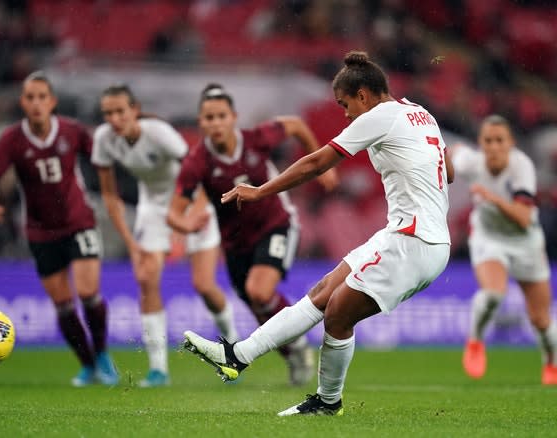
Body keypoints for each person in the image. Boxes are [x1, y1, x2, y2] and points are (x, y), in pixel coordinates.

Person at [182, 51, 454, 415]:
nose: (345, 114)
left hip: (414, 239)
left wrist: (260, 190)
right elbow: (448, 171)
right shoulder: (420, 113)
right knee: (324, 291)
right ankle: (237, 356)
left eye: (345, 104)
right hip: (412, 234)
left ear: (363, 95)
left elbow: (316, 162)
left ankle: (328, 402)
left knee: (338, 315)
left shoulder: (380, 116)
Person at [169, 83, 339, 386]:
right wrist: (186, 225)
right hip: (235, 244)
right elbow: (173, 212)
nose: (216, 123)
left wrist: (322, 165)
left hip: (276, 223)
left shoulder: (256, 138)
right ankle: (295, 354)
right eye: (209, 118)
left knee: (260, 291)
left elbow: (297, 125)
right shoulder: (197, 163)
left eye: (221, 115)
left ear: (233, 117)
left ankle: (298, 347)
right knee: (258, 305)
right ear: (201, 123)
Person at [91, 84, 239, 388]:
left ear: (135, 109)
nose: (114, 119)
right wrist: (131, 244)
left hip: (193, 199)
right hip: (154, 207)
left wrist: (195, 212)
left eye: (120, 111)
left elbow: (200, 169)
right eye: (108, 113)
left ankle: (234, 350)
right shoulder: (103, 140)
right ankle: (158, 369)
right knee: (146, 278)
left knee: (204, 285)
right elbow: (110, 196)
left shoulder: (158, 133)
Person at [0, 71, 118, 387]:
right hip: (40, 231)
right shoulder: (12, 139)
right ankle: (86, 365)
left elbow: (102, 157)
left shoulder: (71, 131)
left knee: (87, 293)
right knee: (63, 305)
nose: (36, 103)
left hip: (78, 221)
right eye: (30, 98)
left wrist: (113, 187)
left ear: (52, 101)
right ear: (23, 103)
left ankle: (101, 355)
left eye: (42, 96)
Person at [452, 115, 557, 385]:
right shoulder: (471, 163)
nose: (494, 146)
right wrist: (444, 167)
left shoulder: (522, 167)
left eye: (500, 140)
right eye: (488, 140)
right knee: (493, 295)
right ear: (481, 143)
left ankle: (550, 362)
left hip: (525, 241)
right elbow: (451, 152)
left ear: (510, 143)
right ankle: (475, 341)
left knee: (541, 319)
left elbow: (523, 217)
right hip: (488, 238)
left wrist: (493, 199)